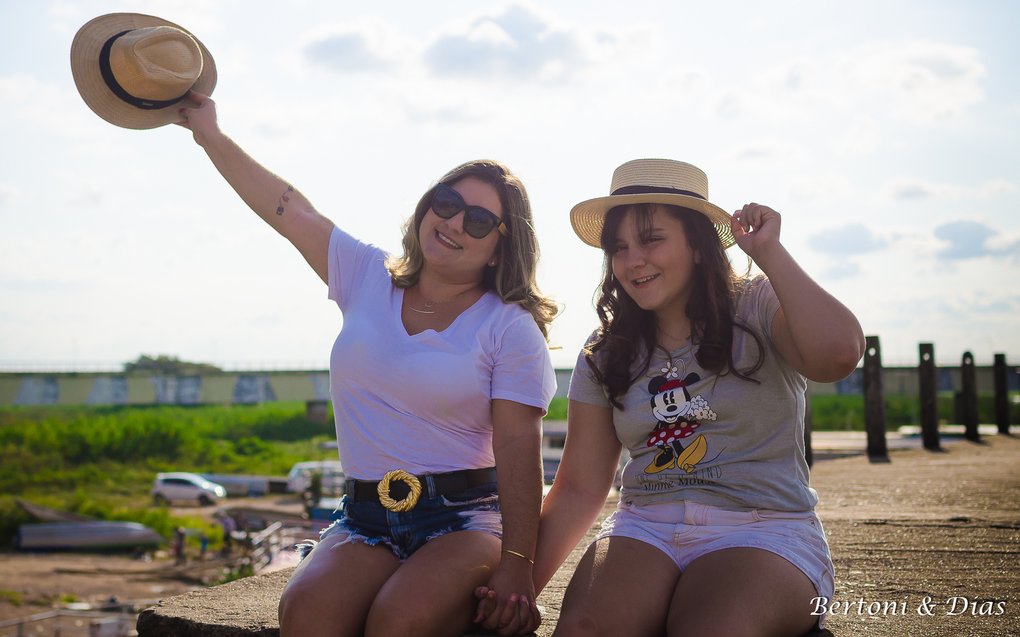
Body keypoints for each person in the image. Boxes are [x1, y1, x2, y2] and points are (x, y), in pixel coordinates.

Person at [176, 90, 557, 637]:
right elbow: (292, 210)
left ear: (500, 247)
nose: (454, 223)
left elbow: (519, 448)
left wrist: (518, 563)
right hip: (363, 517)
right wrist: (209, 134)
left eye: (478, 221)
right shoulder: (366, 275)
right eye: (447, 202)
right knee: (306, 613)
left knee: (399, 620)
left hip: (465, 518)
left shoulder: (509, 326)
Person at [479, 158, 864, 636]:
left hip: (763, 529)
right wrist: (519, 586)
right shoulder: (606, 349)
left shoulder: (758, 306)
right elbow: (578, 487)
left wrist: (770, 252)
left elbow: (839, 355)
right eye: (619, 247)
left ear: (698, 246)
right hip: (644, 528)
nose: (632, 260)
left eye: (651, 239)